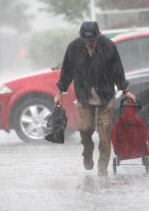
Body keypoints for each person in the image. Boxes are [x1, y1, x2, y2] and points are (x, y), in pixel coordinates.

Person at [54, 21, 136, 176]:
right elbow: (66, 72)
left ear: (98, 35)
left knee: (105, 130)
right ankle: (88, 150)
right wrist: (59, 92)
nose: (89, 43)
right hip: (84, 95)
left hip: (105, 94)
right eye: (86, 40)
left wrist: (125, 90)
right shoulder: (74, 48)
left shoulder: (109, 46)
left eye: (92, 40)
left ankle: (102, 168)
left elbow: (118, 70)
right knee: (85, 128)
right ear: (82, 38)